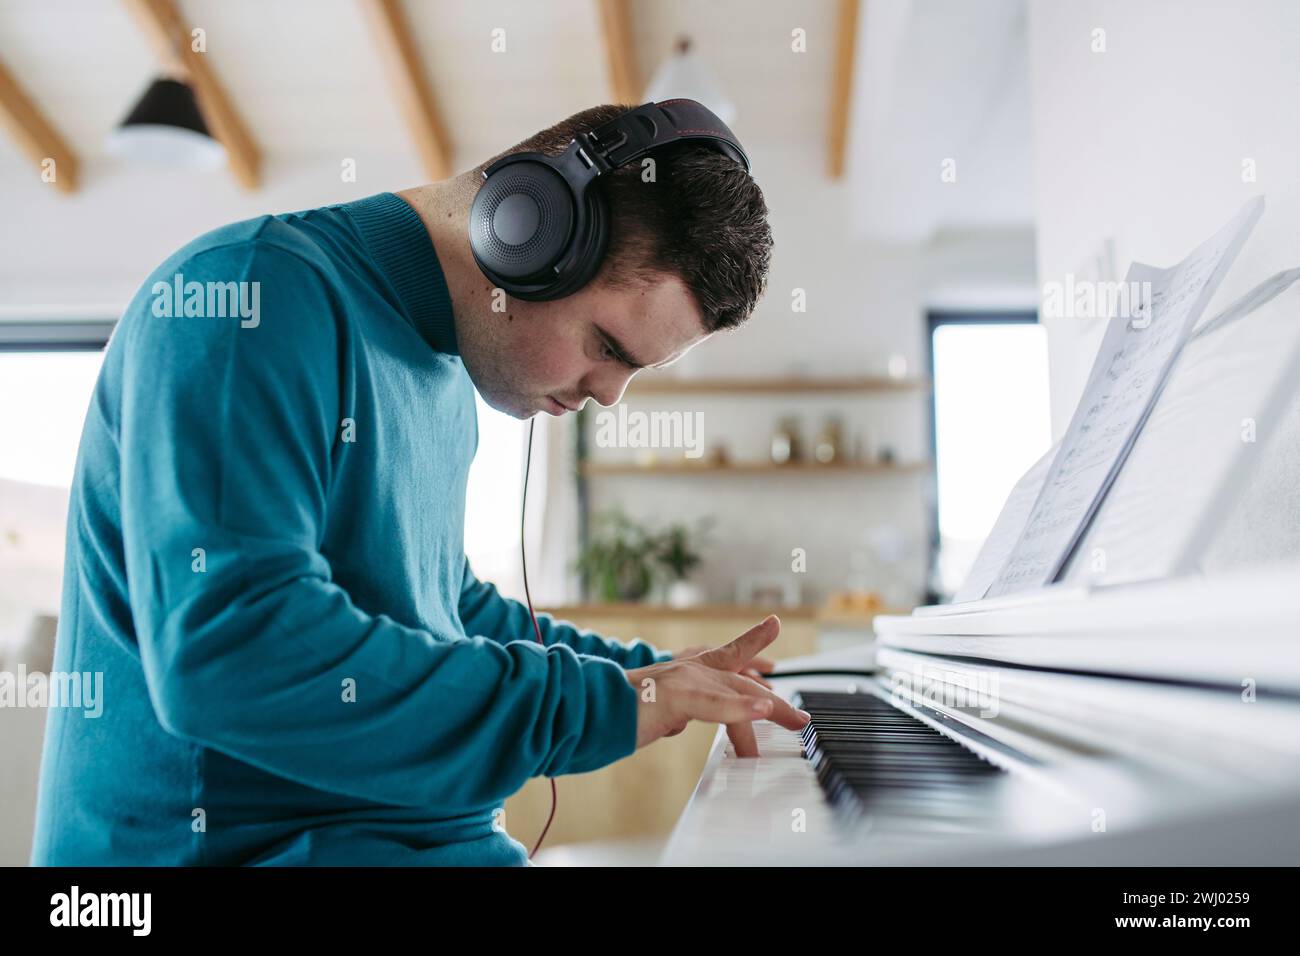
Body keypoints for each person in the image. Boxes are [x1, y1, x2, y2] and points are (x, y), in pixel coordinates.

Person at [30, 102, 805, 867]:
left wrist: (654, 670)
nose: (609, 396)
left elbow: (446, 606)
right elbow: (232, 655)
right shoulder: (248, 300)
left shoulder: (440, 373)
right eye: (606, 345)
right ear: (527, 227)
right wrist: (604, 706)